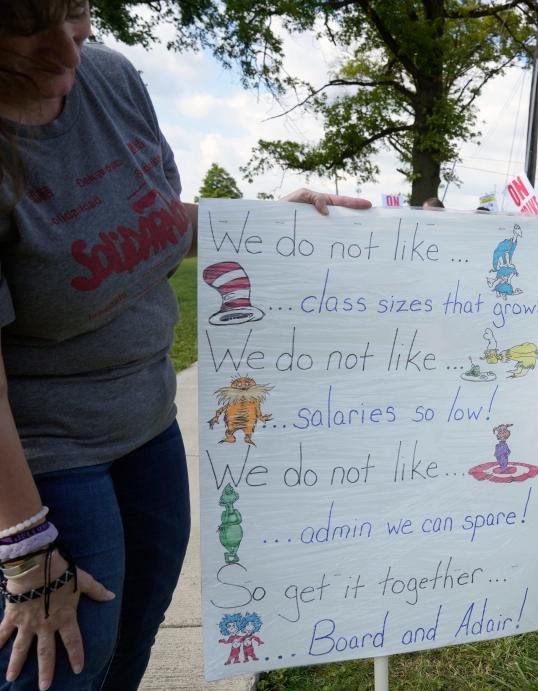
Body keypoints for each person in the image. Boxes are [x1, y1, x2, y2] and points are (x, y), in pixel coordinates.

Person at [0, 4, 370, 689]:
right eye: (27, 27)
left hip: (148, 426)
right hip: (44, 452)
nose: (68, 51)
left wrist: (268, 224)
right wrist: (24, 547)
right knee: (67, 652)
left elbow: (156, 224)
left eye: (75, 12)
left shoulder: (113, 78)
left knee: (136, 628)